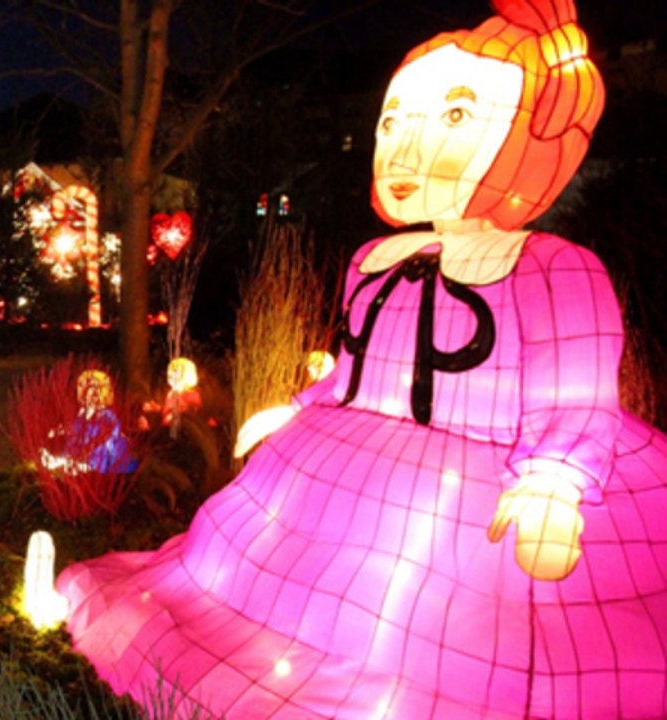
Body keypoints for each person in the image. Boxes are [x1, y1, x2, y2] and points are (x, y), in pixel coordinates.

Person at [56, 0, 667, 717]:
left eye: (453, 117)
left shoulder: (551, 267)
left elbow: (577, 398)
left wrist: (553, 483)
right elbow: (353, 373)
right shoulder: (376, 259)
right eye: (393, 121)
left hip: (481, 481)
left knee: (465, 640)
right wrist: (293, 410)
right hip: (345, 451)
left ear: (529, 134)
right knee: (262, 576)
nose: (404, 148)